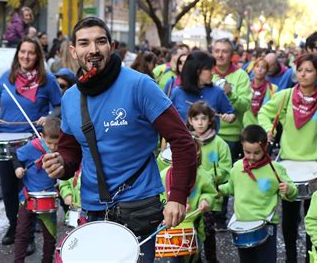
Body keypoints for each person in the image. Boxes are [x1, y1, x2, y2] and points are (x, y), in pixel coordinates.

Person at [42, 16, 197, 262]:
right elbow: (70, 152)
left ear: (111, 47)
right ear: (74, 51)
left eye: (100, 41)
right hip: (94, 210)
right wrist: (61, 164)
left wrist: (177, 196)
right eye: (84, 43)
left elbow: (182, 141)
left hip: (139, 207)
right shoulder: (70, 98)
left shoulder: (140, 85)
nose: (93, 50)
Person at [258, 53, 317, 262]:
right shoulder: (286, 96)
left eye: (308, 71)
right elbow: (264, 112)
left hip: (315, 166)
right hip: (288, 166)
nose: (303, 74)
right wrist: (266, 129)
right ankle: (290, 257)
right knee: (288, 220)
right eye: (299, 70)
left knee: (313, 219)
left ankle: (311, 257)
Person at [0, 36, 61, 250]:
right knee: (8, 189)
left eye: (31, 52)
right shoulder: (8, 77)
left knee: (28, 187)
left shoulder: (48, 80)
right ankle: (14, 224)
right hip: (6, 139)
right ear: (18, 54)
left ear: (38, 56)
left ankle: (29, 234)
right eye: (22, 51)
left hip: (31, 143)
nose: (26, 56)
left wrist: (50, 117)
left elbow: (60, 105)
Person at [218, 125, 298, 263]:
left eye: (256, 152)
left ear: (265, 147)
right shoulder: (237, 167)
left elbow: (292, 193)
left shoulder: (275, 169)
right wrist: (218, 190)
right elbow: (231, 187)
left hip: (266, 224)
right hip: (242, 224)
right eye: (247, 152)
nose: (252, 157)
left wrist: (288, 189)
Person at [211, 38, 251, 230]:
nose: (220, 55)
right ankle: (207, 208)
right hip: (206, 133)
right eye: (217, 50)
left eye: (224, 51)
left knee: (225, 174)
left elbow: (245, 105)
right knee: (207, 171)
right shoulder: (206, 71)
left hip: (231, 135)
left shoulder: (241, 75)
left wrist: (230, 93)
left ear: (231, 54)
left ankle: (221, 213)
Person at [187, 101, 232, 263]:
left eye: (203, 118)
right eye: (196, 118)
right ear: (190, 120)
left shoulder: (220, 144)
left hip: (210, 196)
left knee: (208, 232)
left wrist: (207, 177)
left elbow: (226, 170)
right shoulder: (186, 142)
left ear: (210, 120)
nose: (200, 122)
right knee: (191, 233)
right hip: (191, 198)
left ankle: (212, 259)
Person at [159, 141, 216, 263]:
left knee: (193, 258)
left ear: (196, 153)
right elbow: (158, 197)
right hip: (170, 225)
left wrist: (206, 200)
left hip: (193, 223)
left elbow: (210, 193)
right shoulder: (163, 175)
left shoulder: (202, 176)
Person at [13, 117, 60, 263]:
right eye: (49, 143)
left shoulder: (61, 151)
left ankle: (47, 260)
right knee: (21, 233)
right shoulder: (31, 147)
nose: (52, 147)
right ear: (41, 136)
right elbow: (16, 157)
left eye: (56, 144)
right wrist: (18, 169)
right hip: (28, 197)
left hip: (49, 197)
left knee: (50, 235)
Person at [170, 51, 235, 124]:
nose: (213, 72)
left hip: (211, 135)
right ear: (197, 71)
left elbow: (230, 113)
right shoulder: (177, 93)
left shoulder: (218, 92)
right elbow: (169, 118)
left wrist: (229, 117)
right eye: (209, 69)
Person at [243, 58, 278, 127]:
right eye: (257, 66)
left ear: (267, 71)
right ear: (253, 69)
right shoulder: (246, 86)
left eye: (263, 67)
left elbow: (274, 110)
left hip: (264, 126)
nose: (260, 70)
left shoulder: (273, 88)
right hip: (247, 126)